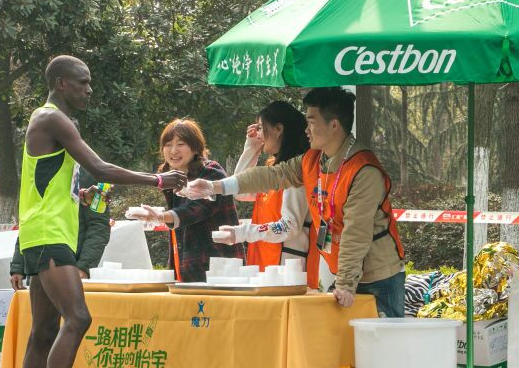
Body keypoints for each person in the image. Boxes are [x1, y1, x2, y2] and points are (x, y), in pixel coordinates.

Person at [7, 55, 187, 368]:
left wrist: (80, 195)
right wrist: (157, 179)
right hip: (49, 235)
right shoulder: (52, 118)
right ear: (60, 83)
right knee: (78, 318)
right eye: (82, 82)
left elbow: (50, 182)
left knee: (43, 332)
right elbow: (101, 168)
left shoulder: (51, 121)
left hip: (44, 233)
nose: (89, 90)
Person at [180, 87, 405, 318]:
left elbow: (355, 232)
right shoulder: (313, 160)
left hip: (378, 278)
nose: (306, 129)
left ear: (334, 125)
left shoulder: (364, 171)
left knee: (384, 339)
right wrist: (215, 186)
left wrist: (346, 283)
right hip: (344, 272)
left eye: (311, 122)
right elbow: (272, 175)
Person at [10, 168, 110, 368]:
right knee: (46, 332)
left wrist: (84, 266)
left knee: (66, 326)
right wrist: (18, 264)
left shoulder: (91, 176)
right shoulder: (40, 172)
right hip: (44, 255)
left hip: (67, 261)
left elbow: (99, 227)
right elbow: (29, 220)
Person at [127, 118, 244, 282]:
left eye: (180, 144)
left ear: (195, 148)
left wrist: (161, 216)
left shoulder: (212, 171)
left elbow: (195, 209)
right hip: (187, 265)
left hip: (218, 265)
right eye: (168, 145)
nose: (173, 150)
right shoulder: (172, 177)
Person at [213, 101, 313, 276]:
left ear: (278, 129)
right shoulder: (273, 168)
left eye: (260, 127)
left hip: (285, 269)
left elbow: (289, 226)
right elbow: (242, 192)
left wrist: (243, 233)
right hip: (264, 262)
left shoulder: (297, 173)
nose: (258, 134)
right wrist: (251, 148)